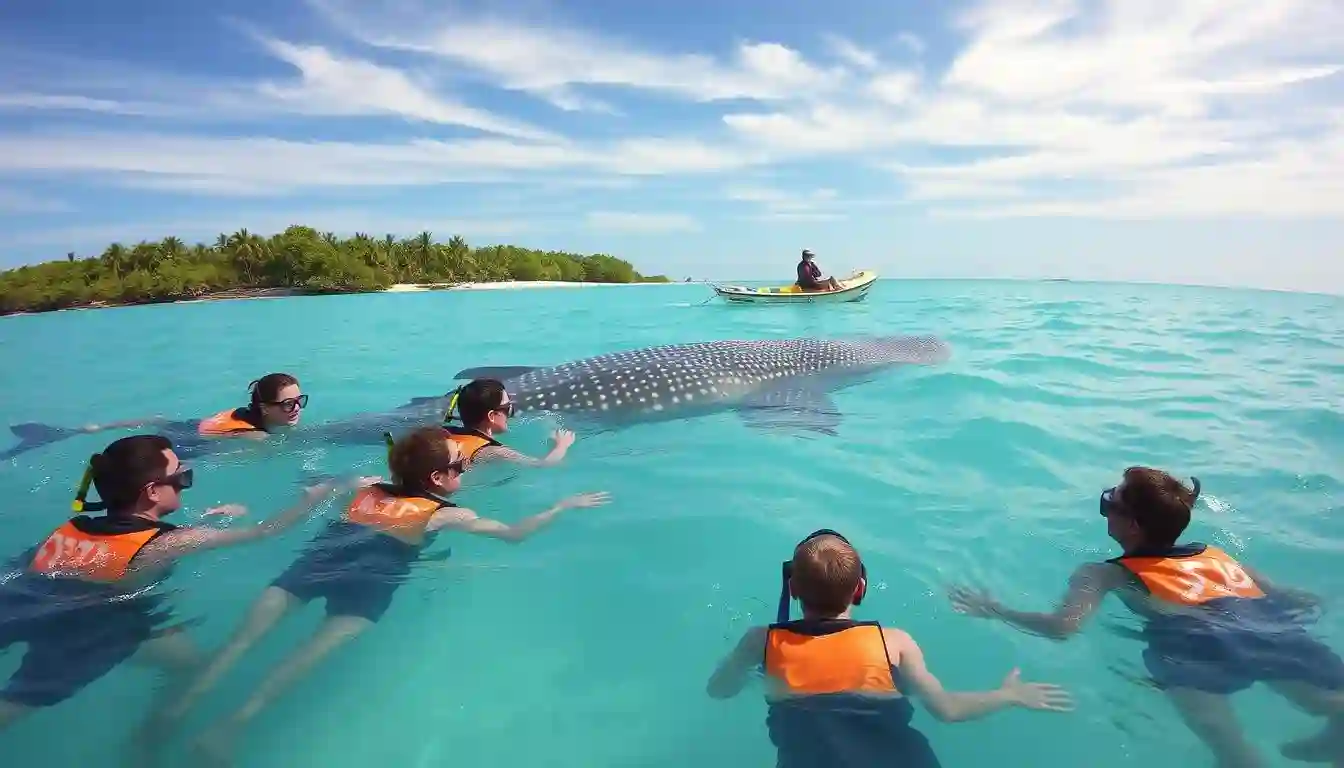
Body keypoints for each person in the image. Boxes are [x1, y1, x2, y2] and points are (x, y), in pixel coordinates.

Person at [168, 426, 610, 765]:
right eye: (460, 465)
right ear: (437, 477)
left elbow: (311, 491)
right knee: (306, 658)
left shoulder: (362, 485)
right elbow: (514, 535)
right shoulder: (444, 515)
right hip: (370, 586)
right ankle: (233, 725)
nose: (466, 469)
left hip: (314, 565)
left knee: (240, 642)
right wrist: (561, 507)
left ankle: (176, 711)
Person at [948, 467, 1344, 768]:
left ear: (1132, 525)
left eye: (1111, 503)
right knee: (1330, 699)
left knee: (1230, 744)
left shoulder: (1106, 572)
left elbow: (1063, 628)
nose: (1105, 508)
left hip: (1193, 643)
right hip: (1264, 625)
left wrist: (994, 609)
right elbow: (1289, 597)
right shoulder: (1215, 553)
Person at [0, 434, 360, 762]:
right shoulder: (170, 542)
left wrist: (209, 525)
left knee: (186, 660)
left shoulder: (67, 528)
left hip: (26, 600)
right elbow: (265, 532)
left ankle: (150, 733)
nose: (185, 485)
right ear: (153, 492)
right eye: (181, 479)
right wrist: (315, 498)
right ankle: (147, 742)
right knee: (15, 706)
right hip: (95, 629)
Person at [708, 529, 1073, 768]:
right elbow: (947, 709)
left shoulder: (762, 642)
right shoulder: (892, 643)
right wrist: (1007, 695)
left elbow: (719, 690)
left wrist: (747, 669)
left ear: (793, 590)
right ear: (860, 589)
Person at [2, 373, 308, 461]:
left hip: (186, 426)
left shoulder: (250, 413)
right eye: (287, 404)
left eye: (299, 401)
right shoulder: (255, 435)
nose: (296, 408)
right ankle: (65, 434)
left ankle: (81, 430)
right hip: (187, 443)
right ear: (266, 408)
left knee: (157, 417)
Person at [442, 377, 575, 467]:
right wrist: (562, 445)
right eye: (507, 408)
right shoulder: (495, 452)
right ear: (492, 416)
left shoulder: (446, 434)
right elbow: (543, 465)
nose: (511, 412)